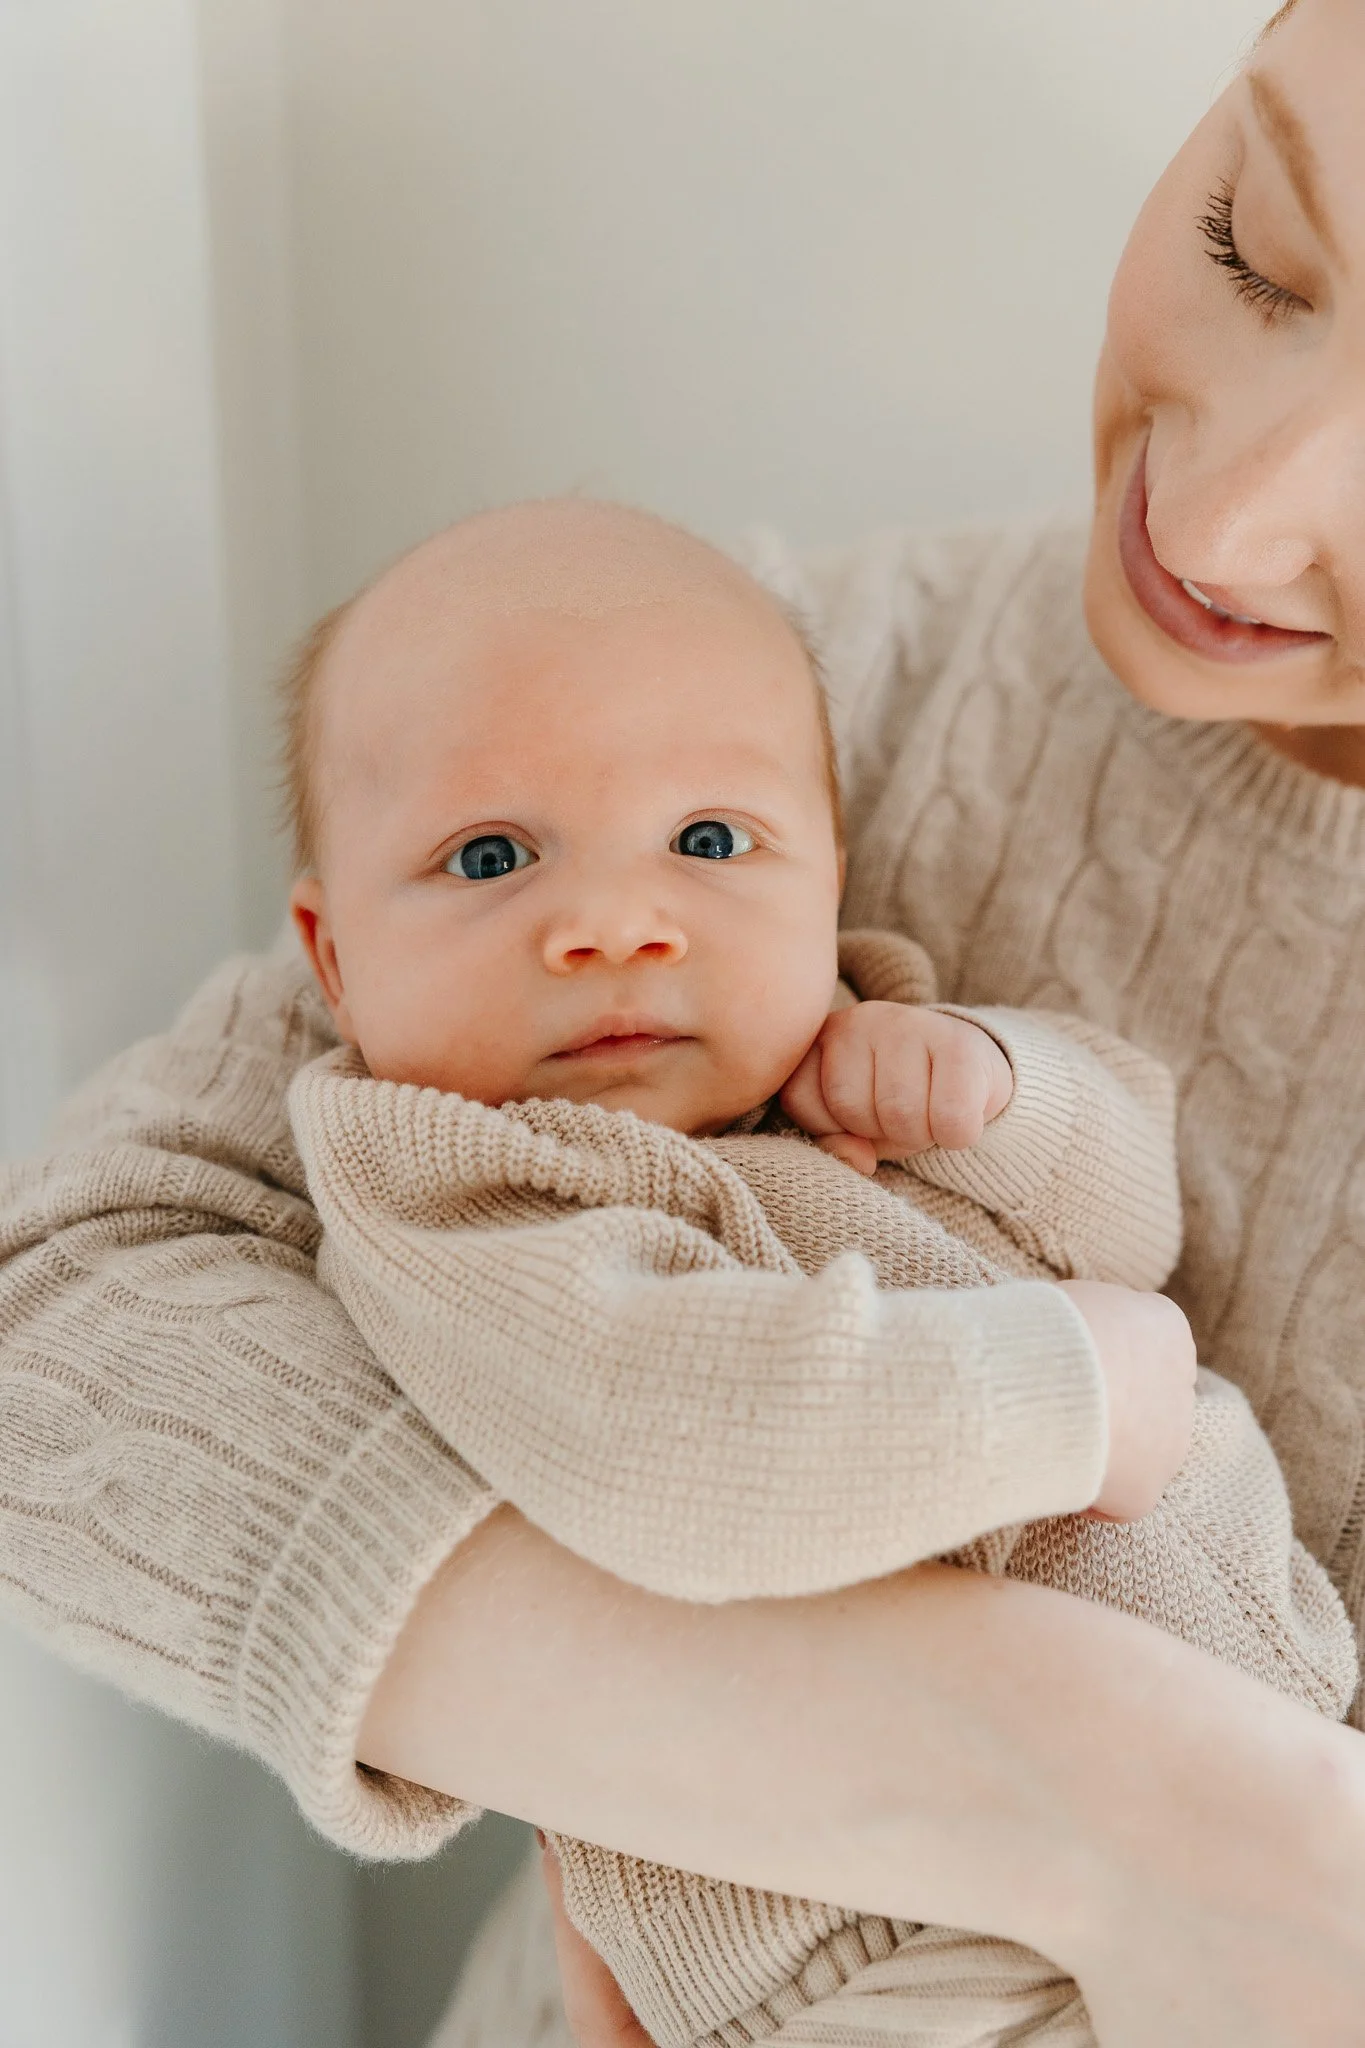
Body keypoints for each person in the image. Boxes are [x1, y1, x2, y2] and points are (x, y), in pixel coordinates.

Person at [1, 0, 1364, 2040]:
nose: (1225, 515)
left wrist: (999, 1100)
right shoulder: (735, 699)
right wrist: (1094, 1786)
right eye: (1253, 241)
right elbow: (67, 1333)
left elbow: (1120, 1182)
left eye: (713, 847)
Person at [274, 491, 1353, 2048]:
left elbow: (1130, 1218)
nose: (617, 922)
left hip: (1268, 1821)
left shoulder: (837, 1035)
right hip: (898, 1965)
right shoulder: (459, 1186)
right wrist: (1065, 1393)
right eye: (491, 855)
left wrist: (992, 1086)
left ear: (829, 870)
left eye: (710, 842)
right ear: (333, 959)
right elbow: (684, 1441)